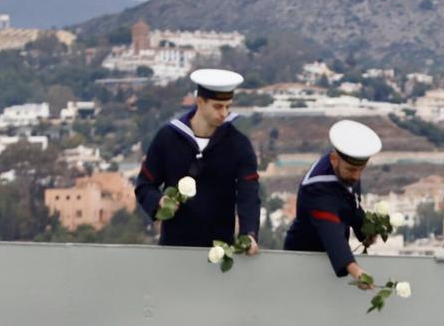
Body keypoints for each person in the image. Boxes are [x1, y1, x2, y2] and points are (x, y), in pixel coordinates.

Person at [135, 68, 261, 249]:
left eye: (228, 106)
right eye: (217, 106)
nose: (224, 114)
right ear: (200, 102)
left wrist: (249, 233)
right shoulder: (168, 137)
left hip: (219, 250)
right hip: (174, 248)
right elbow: (144, 184)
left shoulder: (239, 144)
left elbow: (249, 194)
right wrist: (159, 201)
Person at [283, 120, 383, 286]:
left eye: (361, 169)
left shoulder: (347, 170)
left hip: (332, 258)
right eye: (352, 170)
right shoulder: (317, 188)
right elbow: (331, 234)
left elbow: (351, 204)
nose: (357, 176)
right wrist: (357, 272)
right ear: (334, 159)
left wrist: (365, 231)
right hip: (303, 259)